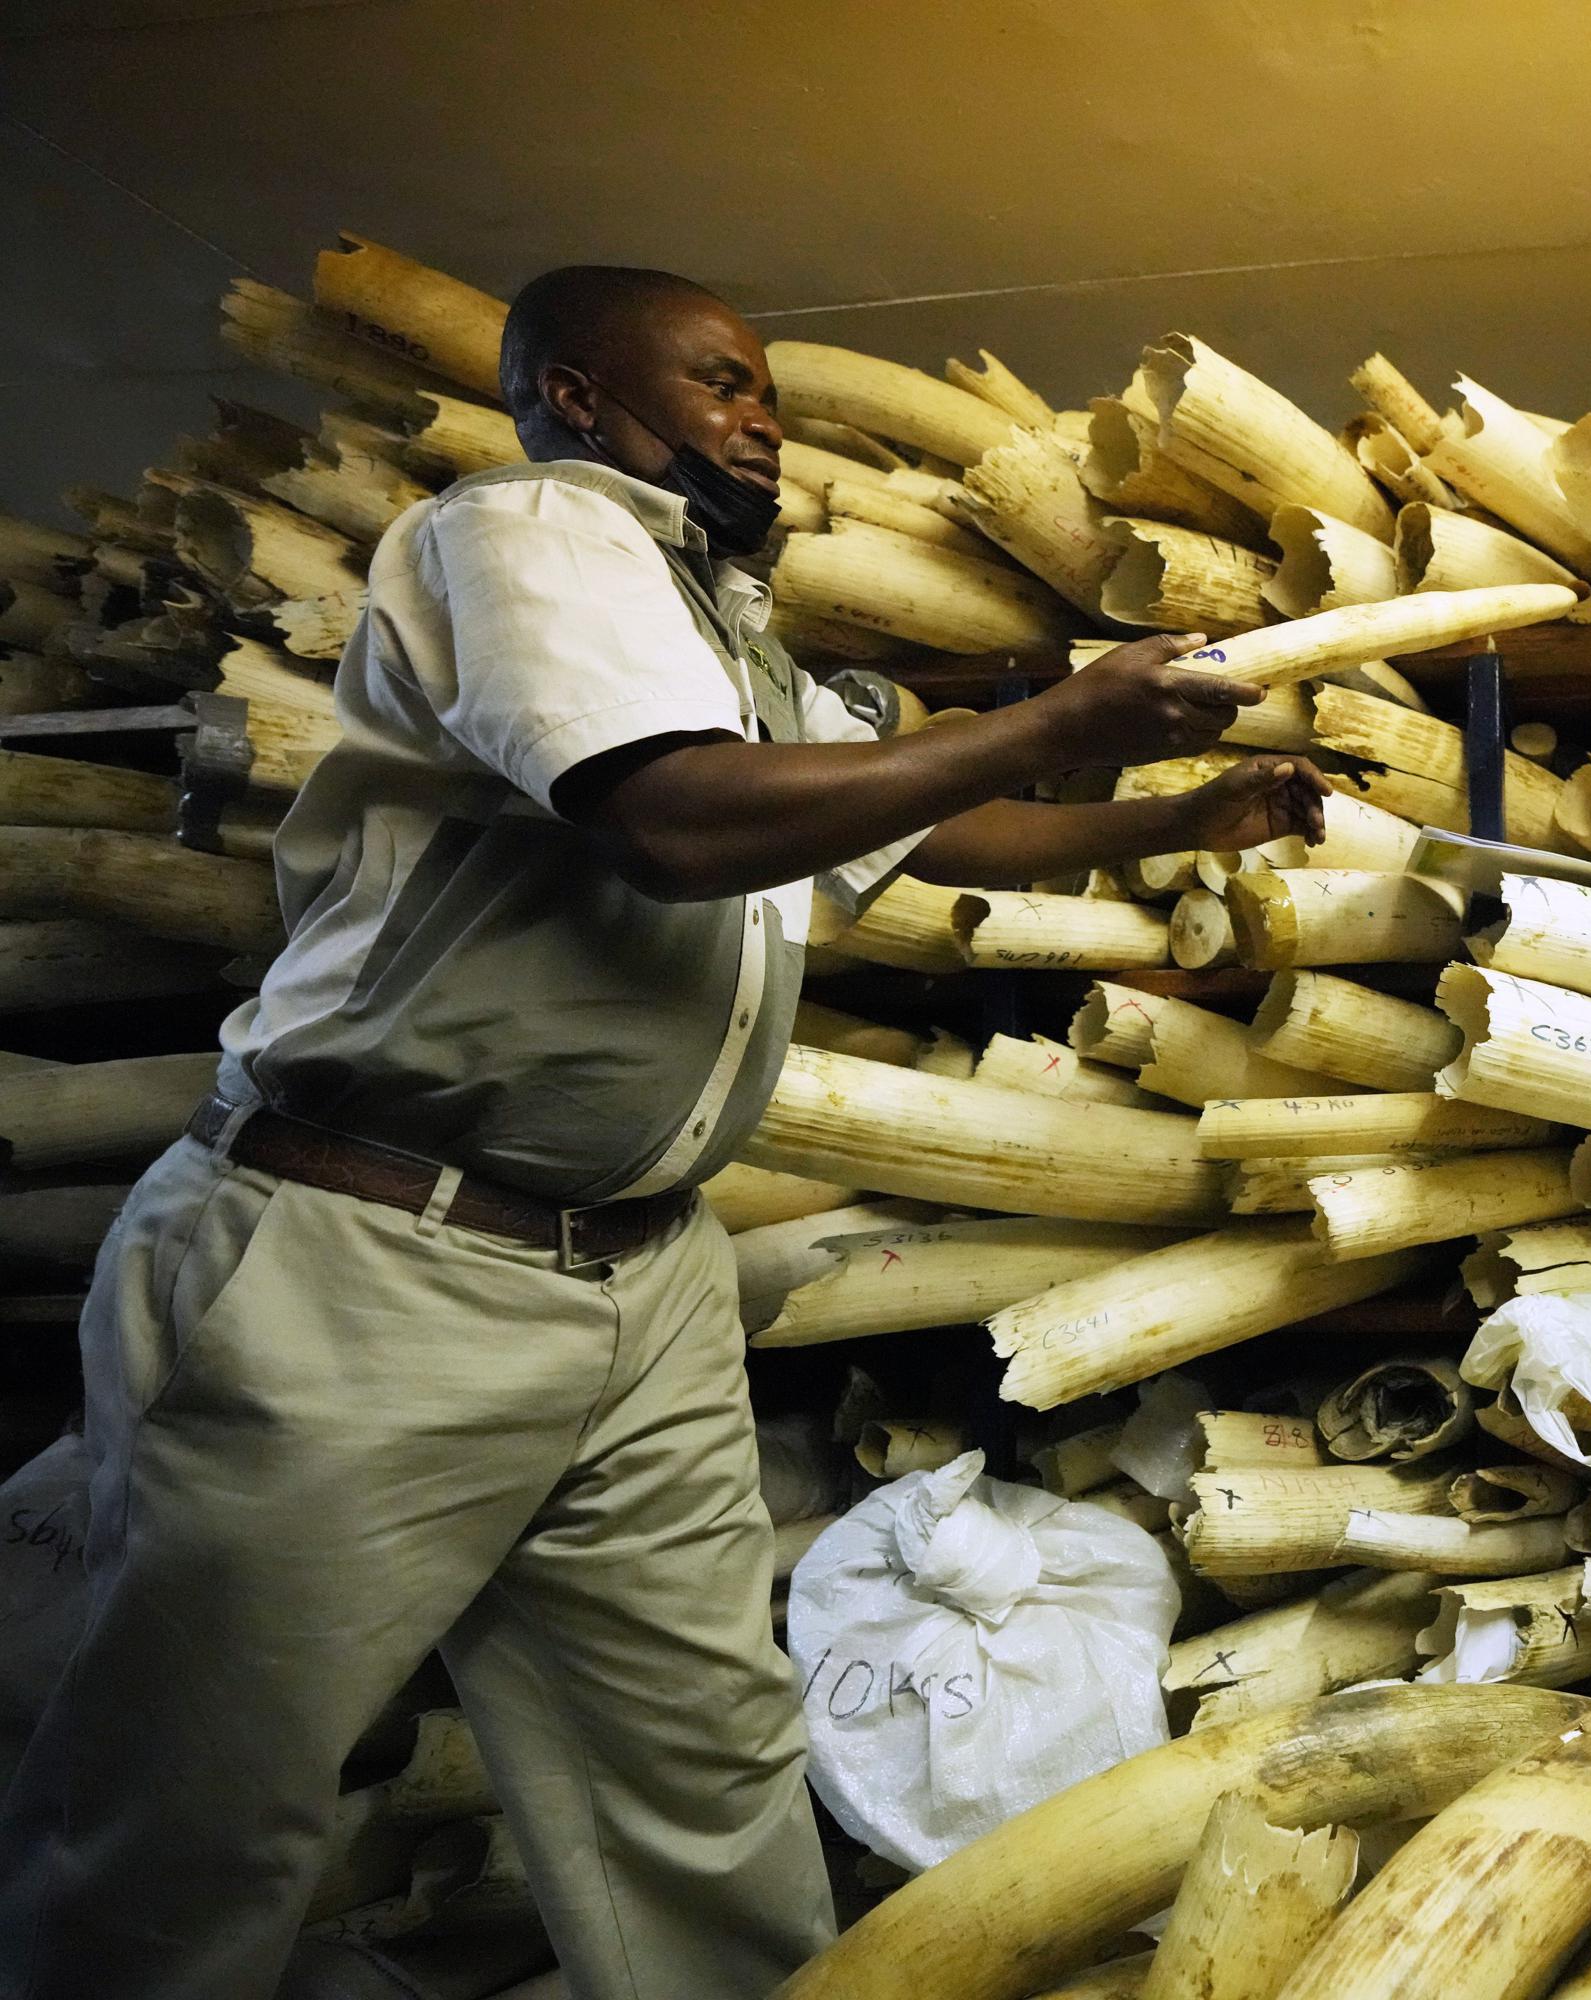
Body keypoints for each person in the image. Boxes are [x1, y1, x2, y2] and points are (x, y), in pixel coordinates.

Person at [0, 264, 1326, 2000]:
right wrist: (1068, 715)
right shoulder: (533, 535)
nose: (761, 415)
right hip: (377, 1258)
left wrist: (1176, 808)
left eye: (766, 389)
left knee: (698, 1789)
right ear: (576, 398)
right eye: (717, 382)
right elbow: (674, 823)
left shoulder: (732, 644)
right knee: (195, 1805)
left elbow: (930, 825)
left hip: (641, 1279)